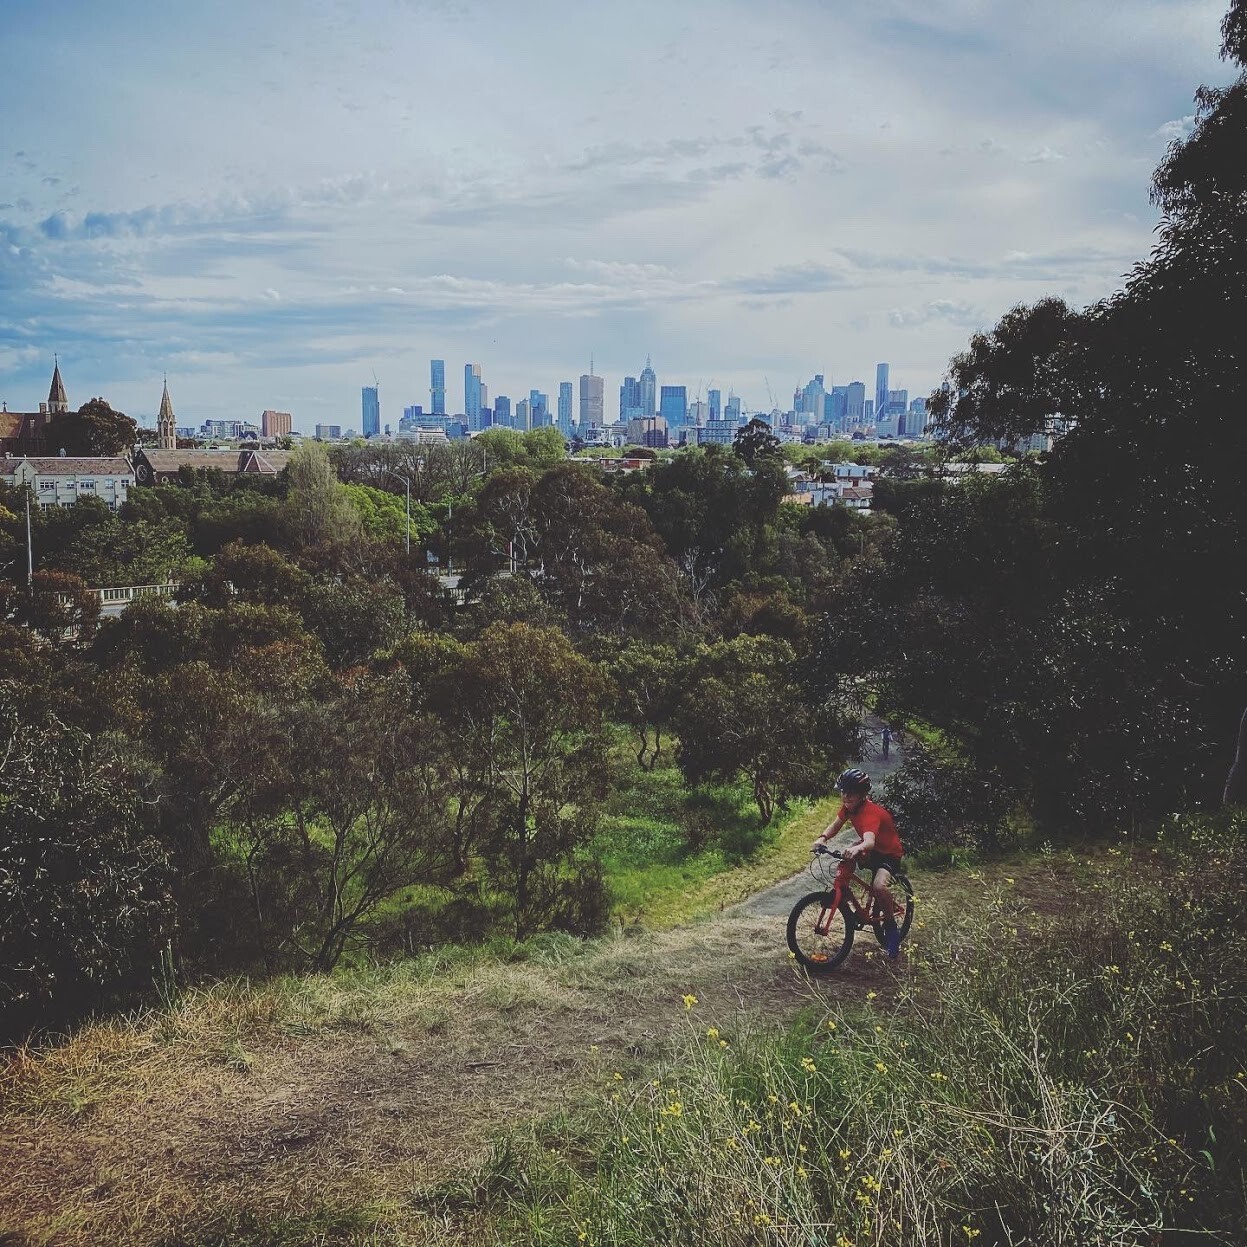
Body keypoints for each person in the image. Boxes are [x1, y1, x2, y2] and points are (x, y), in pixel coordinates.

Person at [811, 768, 905, 958]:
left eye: (851, 793)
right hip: (872, 850)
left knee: (879, 886)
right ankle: (843, 893)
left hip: (888, 854)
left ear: (862, 795)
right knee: (845, 861)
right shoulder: (849, 808)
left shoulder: (870, 813)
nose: (845, 797)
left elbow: (869, 842)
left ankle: (891, 929)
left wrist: (856, 849)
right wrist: (822, 838)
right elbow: (836, 825)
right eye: (843, 792)